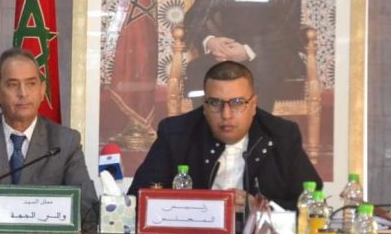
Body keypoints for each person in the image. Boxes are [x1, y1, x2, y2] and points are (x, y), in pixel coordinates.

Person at [128, 61, 321, 211]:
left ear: (253, 105)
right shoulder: (176, 134)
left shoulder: (281, 136)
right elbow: (139, 199)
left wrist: (259, 207)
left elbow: (312, 206)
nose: (226, 114)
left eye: (237, 103)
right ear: (204, 106)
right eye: (215, 103)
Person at [0, 48, 99, 232]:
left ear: (42, 90)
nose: (23, 93)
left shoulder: (65, 142)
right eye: (12, 85)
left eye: (31, 84)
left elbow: (87, 209)